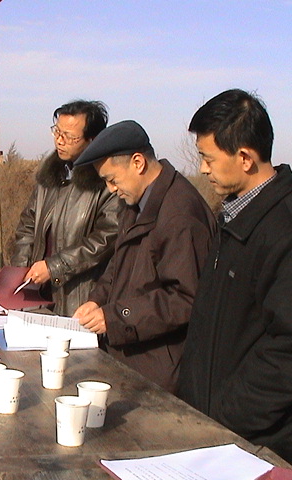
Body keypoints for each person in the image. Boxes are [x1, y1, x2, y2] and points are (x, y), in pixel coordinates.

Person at [177, 89, 292, 469]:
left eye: (209, 159)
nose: (203, 169)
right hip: (210, 433)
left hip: (255, 446)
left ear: (245, 158)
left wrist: (224, 414)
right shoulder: (236, 217)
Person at [72, 120, 217, 394]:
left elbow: (186, 298)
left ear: (138, 163)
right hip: (130, 357)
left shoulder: (180, 213)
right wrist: (96, 301)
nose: (111, 189)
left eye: (112, 179)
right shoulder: (136, 202)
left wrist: (116, 317)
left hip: (160, 372)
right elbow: (120, 264)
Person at [11, 100, 120, 317]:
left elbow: (105, 239)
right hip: (38, 293)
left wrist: (54, 267)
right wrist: (20, 270)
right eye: (57, 132)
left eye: (70, 137)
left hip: (81, 297)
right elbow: (27, 225)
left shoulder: (107, 182)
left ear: (92, 139)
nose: (60, 141)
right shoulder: (50, 176)